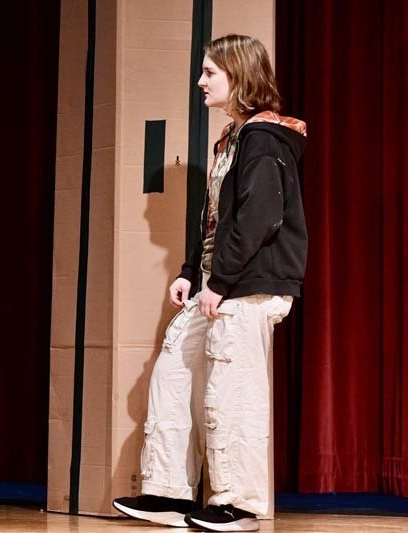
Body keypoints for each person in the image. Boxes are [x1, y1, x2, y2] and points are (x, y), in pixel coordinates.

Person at [113, 34, 308, 532]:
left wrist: (218, 281)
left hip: (247, 285)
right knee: (175, 370)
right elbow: (216, 220)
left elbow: (261, 215)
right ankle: (170, 491)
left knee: (232, 391)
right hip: (217, 283)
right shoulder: (233, 139)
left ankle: (238, 504)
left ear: (238, 77)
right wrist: (188, 273)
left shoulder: (264, 138)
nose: (201, 82)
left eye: (210, 73)